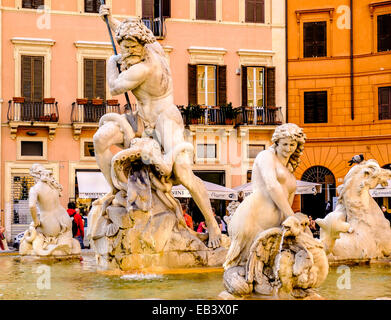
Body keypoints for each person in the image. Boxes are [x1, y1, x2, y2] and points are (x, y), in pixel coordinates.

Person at [94, 4, 221, 249]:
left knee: (183, 172)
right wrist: (111, 20)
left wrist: (112, 62)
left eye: (132, 47)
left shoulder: (144, 67)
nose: (127, 52)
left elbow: (114, 87)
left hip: (164, 118)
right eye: (124, 47)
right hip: (140, 119)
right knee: (100, 139)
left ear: (142, 45)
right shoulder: (152, 44)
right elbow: (125, 29)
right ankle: (115, 189)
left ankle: (212, 224)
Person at [224, 123, 306, 268]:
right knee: (243, 266)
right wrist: (291, 215)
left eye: (292, 144)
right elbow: (271, 185)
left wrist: (286, 220)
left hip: (276, 226)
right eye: (285, 144)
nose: (288, 149)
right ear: (277, 143)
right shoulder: (265, 156)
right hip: (253, 220)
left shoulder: (289, 168)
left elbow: (288, 197)